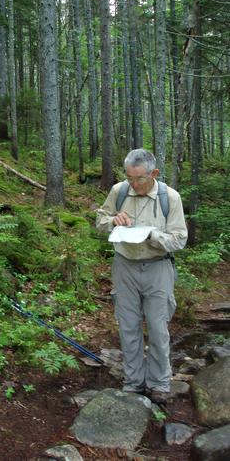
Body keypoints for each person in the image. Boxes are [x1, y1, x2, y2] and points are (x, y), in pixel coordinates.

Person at [96, 149, 187, 405]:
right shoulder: (119, 191)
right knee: (128, 325)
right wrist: (114, 220)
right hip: (125, 266)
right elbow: (100, 221)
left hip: (158, 267)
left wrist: (152, 235)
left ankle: (159, 383)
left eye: (140, 179)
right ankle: (133, 382)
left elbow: (179, 239)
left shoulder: (170, 198)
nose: (134, 184)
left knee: (158, 327)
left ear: (154, 173)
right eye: (130, 178)